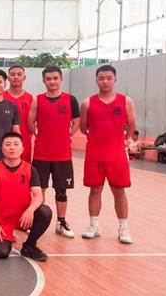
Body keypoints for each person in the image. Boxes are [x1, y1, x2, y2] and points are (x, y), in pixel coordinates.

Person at [80, 65, 136, 244]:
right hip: (94, 154)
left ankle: (123, 228)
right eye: (101, 78)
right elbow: (83, 127)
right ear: (96, 80)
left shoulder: (125, 101)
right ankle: (93, 226)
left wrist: (122, 140)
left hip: (117, 155)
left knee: (119, 191)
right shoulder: (87, 103)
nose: (105, 81)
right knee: (95, 190)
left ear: (115, 80)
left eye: (109, 78)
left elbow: (132, 125)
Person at [28, 66, 80, 238]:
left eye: (55, 78)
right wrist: (41, 136)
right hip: (41, 154)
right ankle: (39, 221)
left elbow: (76, 122)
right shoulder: (37, 100)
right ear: (44, 81)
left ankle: (61, 222)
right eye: (48, 79)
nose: (52, 81)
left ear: (61, 79)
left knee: (61, 190)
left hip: (62, 155)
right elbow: (30, 123)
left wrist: (68, 136)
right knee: (39, 189)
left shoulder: (71, 100)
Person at [0, 132, 52, 262]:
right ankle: (4, 236)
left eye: (16, 144)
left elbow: (38, 195)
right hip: (2, 220)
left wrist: (30, 210)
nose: (12, 148)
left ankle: (29, 246)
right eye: (8, 144)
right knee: (2, 253)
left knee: (45, 212)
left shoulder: (30, 169)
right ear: (2, 148)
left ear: (22, 149)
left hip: (23, 216)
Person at [4, 65, 33, 163]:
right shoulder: (1, 97)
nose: (16, 77)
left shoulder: (31, 99)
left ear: (24, 77)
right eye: (12, 74)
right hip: (4, 144)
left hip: (24, 144)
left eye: (19, 74)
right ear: (8, 78)